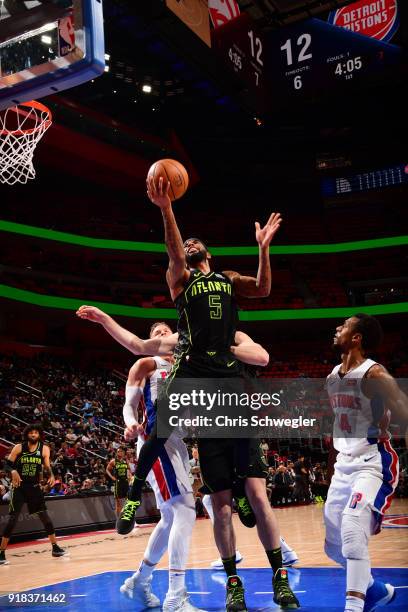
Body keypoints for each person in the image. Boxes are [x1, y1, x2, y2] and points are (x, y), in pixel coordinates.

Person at [324, 314, 408, 612]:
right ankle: (372, 589)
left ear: (357, 337)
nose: (338, 329)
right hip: (343, 466)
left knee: (352, 529)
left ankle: (353, 606)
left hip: (373, 462)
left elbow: (403, 411)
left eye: (344, 326)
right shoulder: (333, 375)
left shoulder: (375, 374)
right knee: (333, 546)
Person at [0, 423, 66, 565]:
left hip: (34, 487)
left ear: (39, 435)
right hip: (19, 487)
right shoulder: (19, 447)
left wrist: (52, 475)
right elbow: (6, 464)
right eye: (31, 433)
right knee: (12, 519)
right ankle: (1, 553)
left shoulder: (44, 449)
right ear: (27, 434)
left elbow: (47, 467)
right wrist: (13, 471)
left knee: (45, 518)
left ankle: (55, 548)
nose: (34, 435)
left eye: (36, 433)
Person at [106, 447, 131, 517]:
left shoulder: (125, 461)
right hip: (118, 482)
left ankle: (129, 519)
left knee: (128, 501)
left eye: (121, 451)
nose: (119, 452)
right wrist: (112, 477)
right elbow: (107, 470)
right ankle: (119, 520)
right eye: (118, 451)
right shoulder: (113, 461)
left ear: (123, 453)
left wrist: (130, 476)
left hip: (125, 482)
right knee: (118, 503)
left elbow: (128, 470)